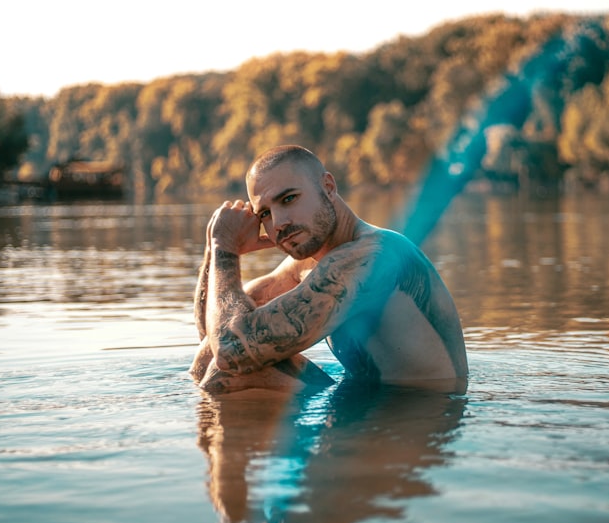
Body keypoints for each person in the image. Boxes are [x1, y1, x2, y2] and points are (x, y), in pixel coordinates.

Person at [189, 145, 468, 393]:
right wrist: (215, 250)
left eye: (289, 199)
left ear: (329, 187)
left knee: (232, 368)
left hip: (423, 415)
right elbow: (212, 338)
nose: (279, 223)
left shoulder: (370, 257)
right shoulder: (308, 263)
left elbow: (229, 351)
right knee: (218, 361)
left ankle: (222, 449)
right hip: (362, 403)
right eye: (265, 214)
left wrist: (223, 246)